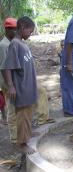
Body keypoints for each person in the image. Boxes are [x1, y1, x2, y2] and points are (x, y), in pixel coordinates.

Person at [3, 16, 37, 154]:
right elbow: (6, 68)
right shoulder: (14, 44)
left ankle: (27, 135)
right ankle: (22, 144)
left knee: (28, 114)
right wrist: (10, 86)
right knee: (22, 116)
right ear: (22, 28)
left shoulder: (21, 43)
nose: (31, 34)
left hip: (28, 87)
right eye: (30, 31)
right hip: (21, 88)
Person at [0, 18, 17, 138]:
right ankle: (15, 138)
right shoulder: (3, 45)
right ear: (7, 29)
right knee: (12, 110)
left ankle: (19, 134)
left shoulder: (12, 43)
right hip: (8, 84)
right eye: (14, 29)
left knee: (17, 109)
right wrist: (9, 86)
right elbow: (4, 67)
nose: (16, 31)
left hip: (15, 82)